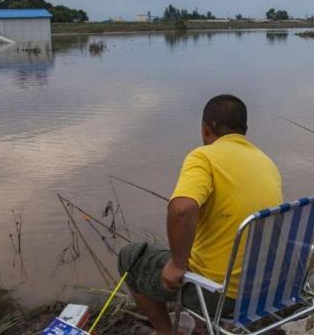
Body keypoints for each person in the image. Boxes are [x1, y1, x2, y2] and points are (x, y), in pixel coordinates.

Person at [118, 94, 283, 334]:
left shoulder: (203, 157)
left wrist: (177, 264)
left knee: (130, 257)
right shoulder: (266, 162)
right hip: (268, 289)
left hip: (224, 296)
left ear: (206, 129)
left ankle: (166, 332)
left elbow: (182, 209)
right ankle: (222, 324)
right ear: (244, 130)